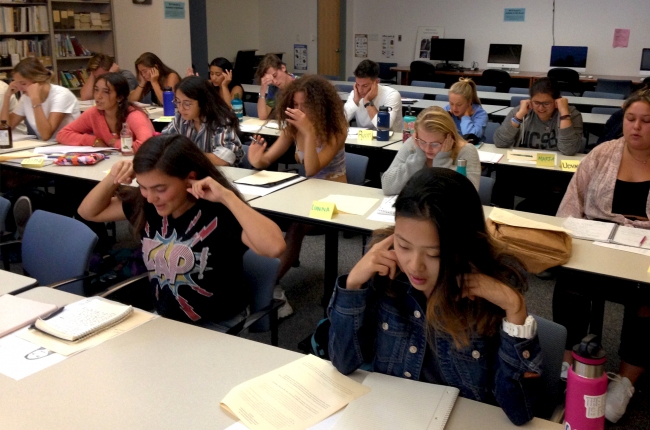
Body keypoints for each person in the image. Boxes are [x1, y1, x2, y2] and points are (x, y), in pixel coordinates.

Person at [328, 168, 542, 426]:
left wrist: (515, 308)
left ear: (464, 245)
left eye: (434, 254)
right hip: (392, 416)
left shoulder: (492, 291)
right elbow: (343, 363)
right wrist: (353, 284)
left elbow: (519, 411)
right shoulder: (387, 270)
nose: (415, 266)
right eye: (404, 246)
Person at [77, 134, 285, 327]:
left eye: (160, 189)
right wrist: (114, 177)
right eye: (142, 186)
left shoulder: (217, 213)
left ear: (190, 177)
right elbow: (89, 212)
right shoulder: (148, 205)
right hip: (166, 320)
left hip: (216, 326)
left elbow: (274, 247)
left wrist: (227, 197)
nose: (150, 197)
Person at [555, 89, 650, 423]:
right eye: (630, 118)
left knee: (647, 298)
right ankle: (569, 362)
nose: (636, 127)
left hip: (643, 251)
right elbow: (572, 202)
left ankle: (625, 380)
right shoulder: (602, 153)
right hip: (597, 244)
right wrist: (568, 241)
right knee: (569, 278)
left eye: (647, 121)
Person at [248, 74, 348, 316]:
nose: (299, 110)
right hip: (307, 192)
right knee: (261, 218)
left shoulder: (337, 128)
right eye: (296, 105)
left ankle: (269, 283)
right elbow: (267, 158)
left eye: (306, 105)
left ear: (320, 104)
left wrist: (309, 132)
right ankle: (264, 278)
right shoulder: (293, 128)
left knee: (296, 226)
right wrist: (256, 158)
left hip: (337, 198)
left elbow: (313, 168)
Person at [381, 106, 480, 195]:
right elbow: (387, 187)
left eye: (435, 144)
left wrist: (442, 162)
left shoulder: (467, 151)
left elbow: (468, 196)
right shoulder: (414, 143)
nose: (427, 149)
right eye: (423, 142)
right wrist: (417, 158)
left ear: (450, 137)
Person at [57, 73, 154, 151]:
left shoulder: (134, 116)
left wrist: (117, 143)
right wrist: (93, 140)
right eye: (96, 90)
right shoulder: (94, 113)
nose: (98, 96)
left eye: (106, 92)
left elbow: (147, 146)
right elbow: (62, 134)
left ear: (119, 97)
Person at [161, 76, 243, 166]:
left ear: (202, 102)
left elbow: (224, 159)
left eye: (187, 104)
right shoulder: (180, 118)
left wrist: (187, 154)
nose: (181, 108)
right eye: (178, 102)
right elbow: (163, 143)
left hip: (220, 174)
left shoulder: (220, 121)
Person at [493, 77, 583, 155]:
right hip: (523, 164)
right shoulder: (520, 111)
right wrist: (519, 116)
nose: (541, 108)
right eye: (536, 103)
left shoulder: (572, 115)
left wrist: (564, 114)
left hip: (554, 168)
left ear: (557, 101)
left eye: (546, 103)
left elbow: (569, 150)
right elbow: (500, 142)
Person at [0, 57, 79, 141]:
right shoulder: (25, 98)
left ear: (39, 81)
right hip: (46, 147)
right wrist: (7, 97)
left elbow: (46, 135)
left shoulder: (61, 95)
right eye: (16, 83)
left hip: (68, 145)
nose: (18, 88)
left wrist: (35, 99)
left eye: (23, 83)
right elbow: (5, 128)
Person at [344, 60, 403, 132]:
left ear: (376, 82)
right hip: (363, 140)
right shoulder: (355, 93)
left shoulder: (391, 95)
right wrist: (355, 101)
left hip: (390, 141)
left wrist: (367, 101)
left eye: (365, 86)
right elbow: (339, 120)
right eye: (358, 84)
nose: (360, 90)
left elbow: (383, 127)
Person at [256, 54, 295, 120]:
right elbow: (263, 116)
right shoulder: (274, 88)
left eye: (275, 75)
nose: (275, 82)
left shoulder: (301, 84)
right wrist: (263, 89)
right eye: (271, 79)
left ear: (283, 68)